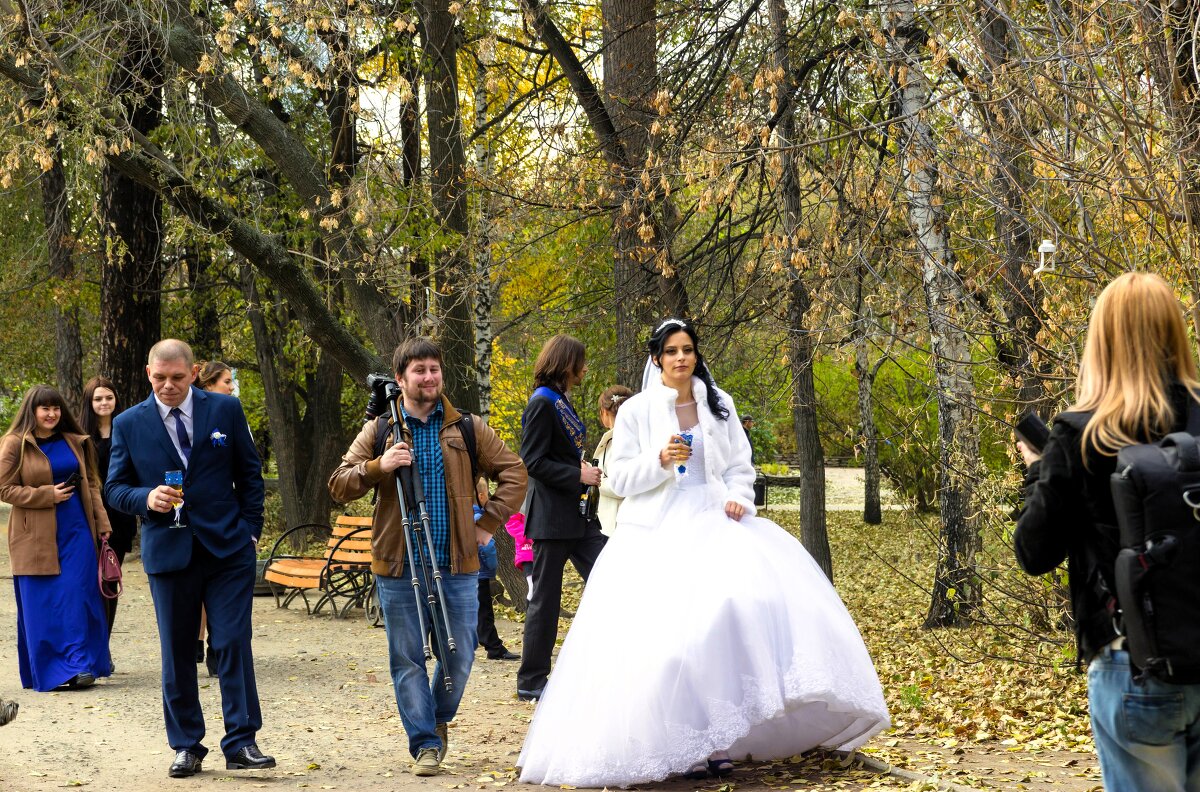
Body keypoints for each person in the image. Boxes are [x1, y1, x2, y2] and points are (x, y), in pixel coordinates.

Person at [518, 319, 890, 787]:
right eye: (671, 351)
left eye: (688, 350)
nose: (680, 358)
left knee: (726, 621)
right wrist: (660, 459)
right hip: (655, 532)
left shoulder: (719, 403)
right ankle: (678, 741)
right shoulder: (636, 412)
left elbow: (740, 465)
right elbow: (622, 479)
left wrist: (740, 496)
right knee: (670, 641)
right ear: (657, 359)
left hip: (717, 522)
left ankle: (718, 738)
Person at [1014, 272, 1200, 791]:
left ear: (1102, 341)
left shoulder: (1080, 434)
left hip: (1133, 661)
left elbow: (1035, 551)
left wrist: (1039, 470)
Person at [328, 336, 527, 777]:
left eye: (434, 369)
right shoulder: (380, 429)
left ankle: (436, 719)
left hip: (456, 562)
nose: (429, 377)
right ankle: (424, 744)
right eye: (418, 371)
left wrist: (487, 523)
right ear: (400, 380)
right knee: (408, 658)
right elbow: (339, 483)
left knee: (461, 653)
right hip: (399, 566)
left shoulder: (468, 428)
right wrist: (379, 466)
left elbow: (515, 473)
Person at [105, 339, 271, 778]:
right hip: (169, 550)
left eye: (177, 378)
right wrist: (146, 498)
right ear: (147, 373)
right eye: (159, 378)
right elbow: (114, 489)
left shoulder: (225, 410)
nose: (168, 386)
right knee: (178, 650)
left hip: (228, 549)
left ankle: (242, 741)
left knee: (233, 641)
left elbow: (249, 473)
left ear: (194, 372)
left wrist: (251, 530)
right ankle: (186, 745)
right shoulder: (128, 423)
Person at [0, 385, 113, 692]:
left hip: (77, 530)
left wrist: (102, 524)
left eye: (56, 408)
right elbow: (4, 489)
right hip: (33, 536)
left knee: (77, 597)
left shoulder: (74, 442)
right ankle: (53, 671)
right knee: (45, 604)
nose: (51, 414)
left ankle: (79, 666)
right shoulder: (14, 444)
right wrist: (45, 495)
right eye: (45, 408)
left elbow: (91, 485)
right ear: (31, 411)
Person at [516, 334, 608, 702]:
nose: (585, 368)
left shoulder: (560, 400)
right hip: (552, 520)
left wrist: (578, 467)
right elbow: (533, 462)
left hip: (577, 518)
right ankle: (532, 680)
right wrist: (577, 475)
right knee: (546, 601)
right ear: (566, 362)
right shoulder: (542, 403)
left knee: (610, 575)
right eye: (581, 361)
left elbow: (556, 453)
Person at [81, 376, 139, 636]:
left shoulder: (127, 430)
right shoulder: (79, 436)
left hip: (119, 517)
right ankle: (89, 644)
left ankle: (104, 644)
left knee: (109, 580)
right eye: (98, 398)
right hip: (87, 517)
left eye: (109, 397)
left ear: (116, 400)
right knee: (86, 583)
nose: (104, 403)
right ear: (89, 402)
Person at [194, 359, 235, 677]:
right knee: (200, 585)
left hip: (228, 516)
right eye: (226, 382)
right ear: (207, 386)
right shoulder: (194, 417)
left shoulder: (233, 413)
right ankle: (198, 639)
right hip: (197, 514)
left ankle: (216, 648)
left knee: (219, 587)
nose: (231, 388)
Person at [475, 479, 519, 660]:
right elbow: (487, 547)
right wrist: (492, 568)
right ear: (481, 496)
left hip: (468, 573)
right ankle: (494, 647)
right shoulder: (480, 519)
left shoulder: (461, 515)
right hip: (481, 573)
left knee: (475, 610)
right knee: (485, 611)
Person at [594, 385, 633, 536]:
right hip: (607, 521)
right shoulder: (611, 438)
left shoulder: (624, 439)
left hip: (618, 524)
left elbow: (623, 485)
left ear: (604, 412)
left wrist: (594, 479)